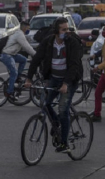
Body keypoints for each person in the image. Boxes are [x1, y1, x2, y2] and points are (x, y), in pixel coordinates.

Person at [25, 17, 83, 153]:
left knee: (63, 109)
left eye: (67, 29)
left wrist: (66, 84)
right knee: (45, 103)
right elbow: (36, 59)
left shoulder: (72, 42)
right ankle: (56, 122)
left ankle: (64, 143)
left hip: (69, 80)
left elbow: (74, 65)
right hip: (54, 78)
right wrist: (28, 79)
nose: (67, 32)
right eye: (63, 29)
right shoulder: (49, 41)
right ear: (56, 31)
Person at [0, 21, 36, 100]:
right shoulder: (19, 34)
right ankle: (9, 92)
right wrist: (36, 55)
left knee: (24, 60)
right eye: (28, 29)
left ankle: (17, 77)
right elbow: (27, 47)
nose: (28, 30)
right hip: (7, 55)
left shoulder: (19, 34)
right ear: (24, 28)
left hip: (12, 54)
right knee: (14, 73)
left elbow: (25, 47)